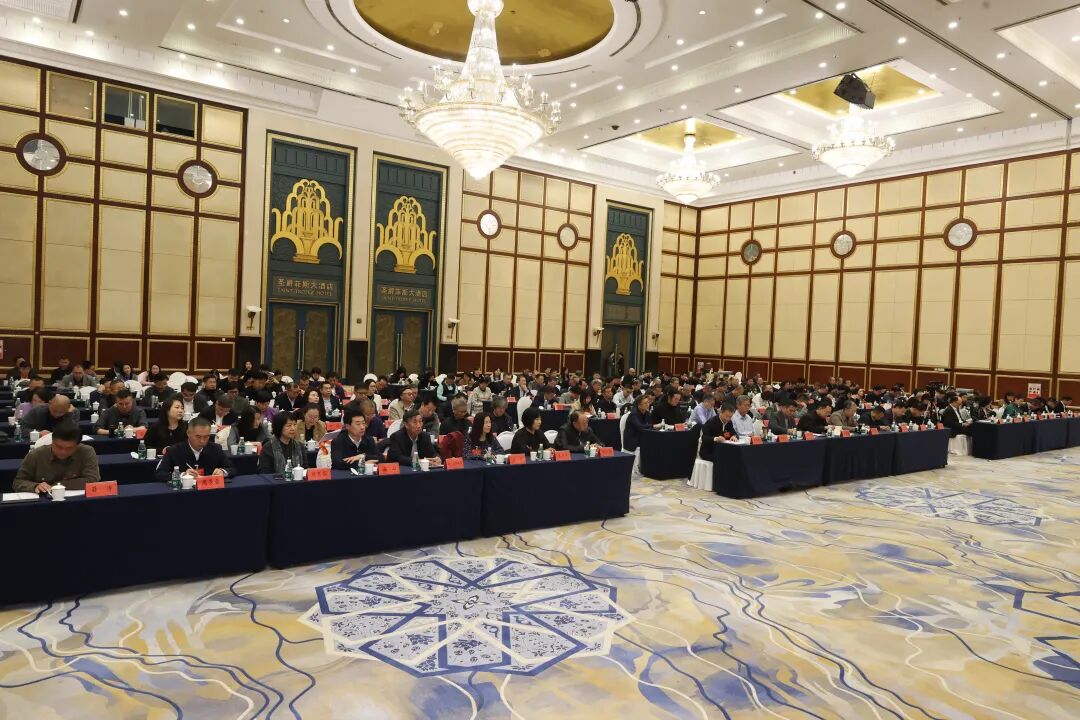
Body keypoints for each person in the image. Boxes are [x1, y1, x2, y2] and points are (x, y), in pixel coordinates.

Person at [11, 421, 100, 493]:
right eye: (59, 447)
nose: (63, 452)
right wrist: (35, 486)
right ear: (52, 441)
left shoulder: (86, 452)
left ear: (77, 445)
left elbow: (92, 479)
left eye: (69, 448)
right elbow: (18, 482)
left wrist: (57, 485)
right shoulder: (36, 455)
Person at [155, 417, 236, 482]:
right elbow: (160, 473)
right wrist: (182, 475)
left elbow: (232, 468)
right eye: (198, 437)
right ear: (188, 433)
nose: (202, 441)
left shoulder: (216, 448)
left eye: (206, 436)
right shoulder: (174, 450)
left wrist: (222, 471)